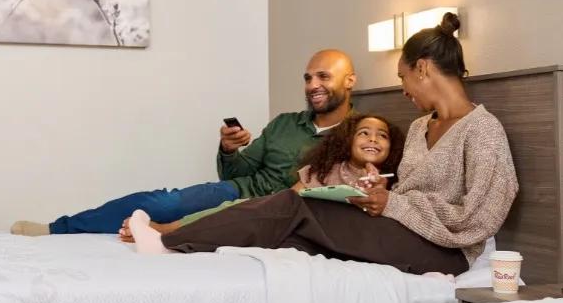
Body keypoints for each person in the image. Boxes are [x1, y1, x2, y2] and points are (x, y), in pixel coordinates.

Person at [128, 13, 518, 276]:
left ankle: (166, 241)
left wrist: (394, 203)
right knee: (296, 227)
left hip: (444, 252)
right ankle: (187, 256)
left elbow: (478, 220)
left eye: (403, 78)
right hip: (401, 228)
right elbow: (408, 194)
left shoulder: (481, 130)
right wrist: (380, 192)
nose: (403, 90)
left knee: (292, 206)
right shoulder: (419, 127)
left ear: (423, 68)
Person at [11, 50, 358, 236]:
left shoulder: (358, 136)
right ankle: (59, 228)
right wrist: (229, 149)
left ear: (350, 80)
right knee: (160, 202)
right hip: (235, 191)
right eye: (308, 77)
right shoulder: (285, 123)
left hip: (275, 211)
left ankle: (160, 236)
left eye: (323, 76)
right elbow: (237, 171)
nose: (312, 84)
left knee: (192, 229)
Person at [119, 113, 405, 241]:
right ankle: (168, 229)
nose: (372, 139)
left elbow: (388, 212)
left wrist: (378, 189)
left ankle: (166, 233)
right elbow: (291, 196)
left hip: (326, 234)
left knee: (240, 216)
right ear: (347, 140)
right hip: (289, 215)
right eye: (364, 133)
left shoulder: (391, 180)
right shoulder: (324, 167)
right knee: (232, 211)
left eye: (382, 136)